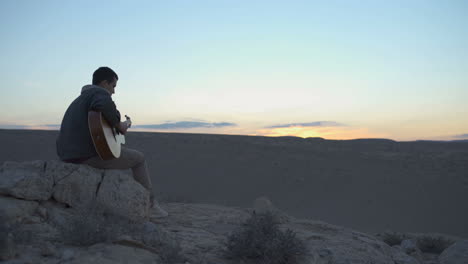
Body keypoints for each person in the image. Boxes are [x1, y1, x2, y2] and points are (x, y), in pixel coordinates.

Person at [56, 66, 168, 218]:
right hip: (85, 155)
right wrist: (120, 125)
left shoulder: (79, 100)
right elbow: (102, 104)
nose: (113, 91)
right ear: (104, 83)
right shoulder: (99, 94)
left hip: (68, 154)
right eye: (113, 86)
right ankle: (151, 206)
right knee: (139, 159)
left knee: (114, 154)